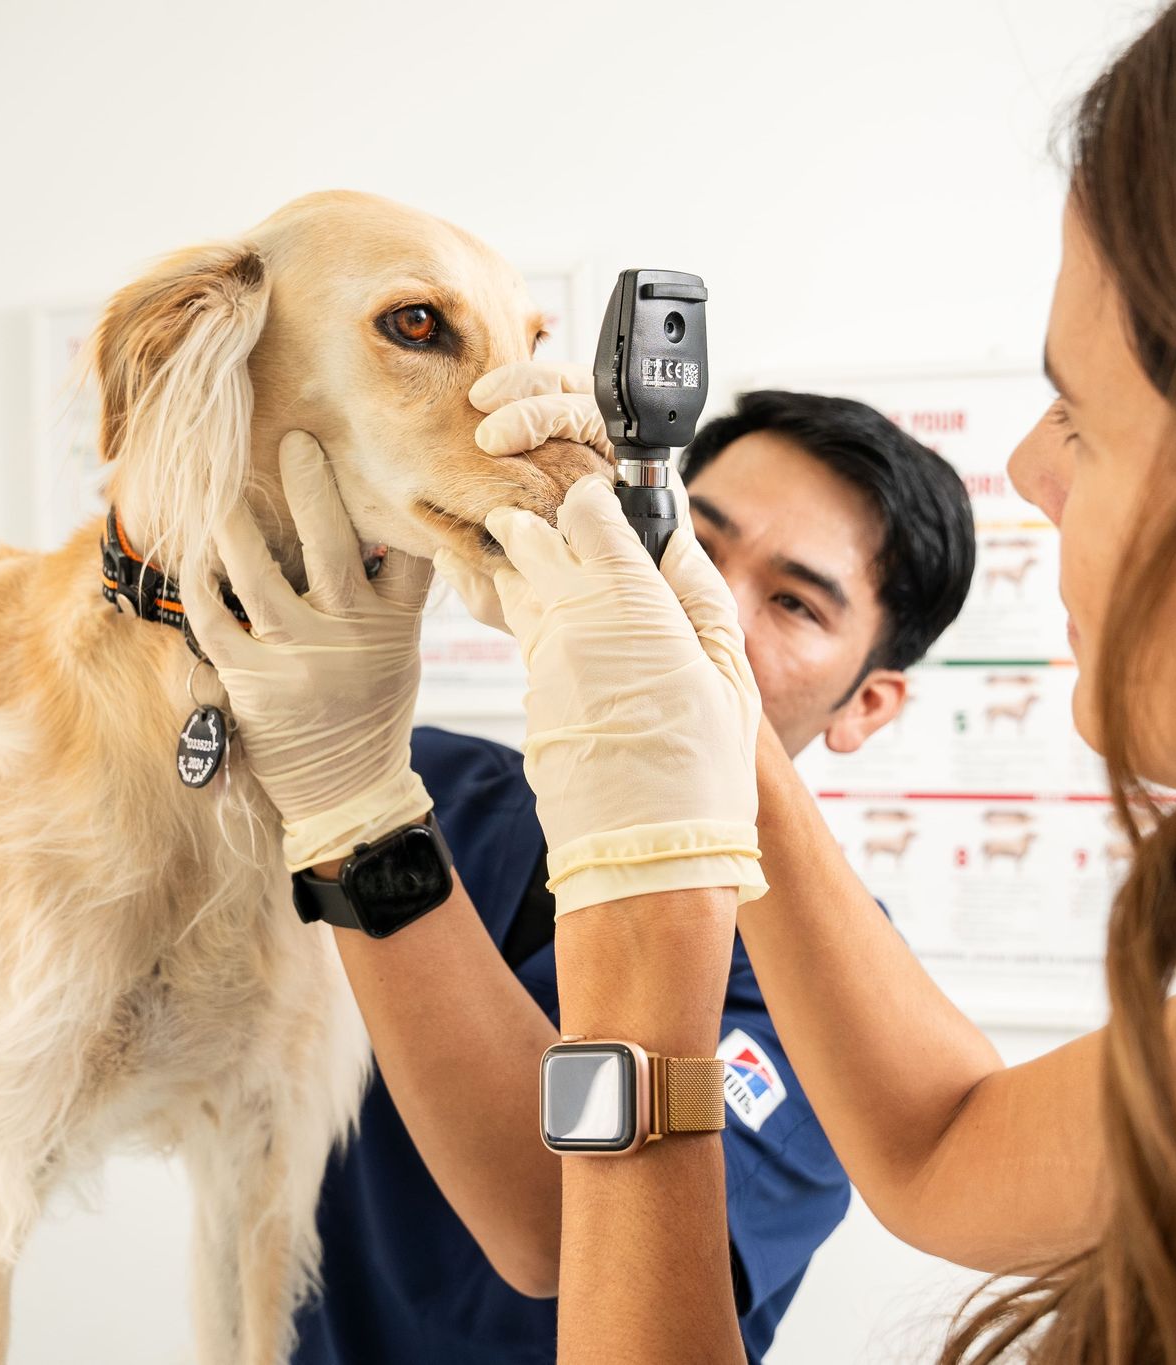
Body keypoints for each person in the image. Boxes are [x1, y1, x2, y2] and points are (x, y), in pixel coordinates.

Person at [205, 0, 1176, 1359]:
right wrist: (708, 738)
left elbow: (549, 1231)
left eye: (1082, 413)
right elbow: (948, 1145)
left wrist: (628, 878)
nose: (1035, 472)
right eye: (701, 553)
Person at [185, 388, 972, 1363]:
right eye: (686, 540)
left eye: (793, 603)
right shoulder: (426, 779)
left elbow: (555, 1229)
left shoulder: (838, 999)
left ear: (866, 707)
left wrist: (361, 820)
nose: (695, 604)